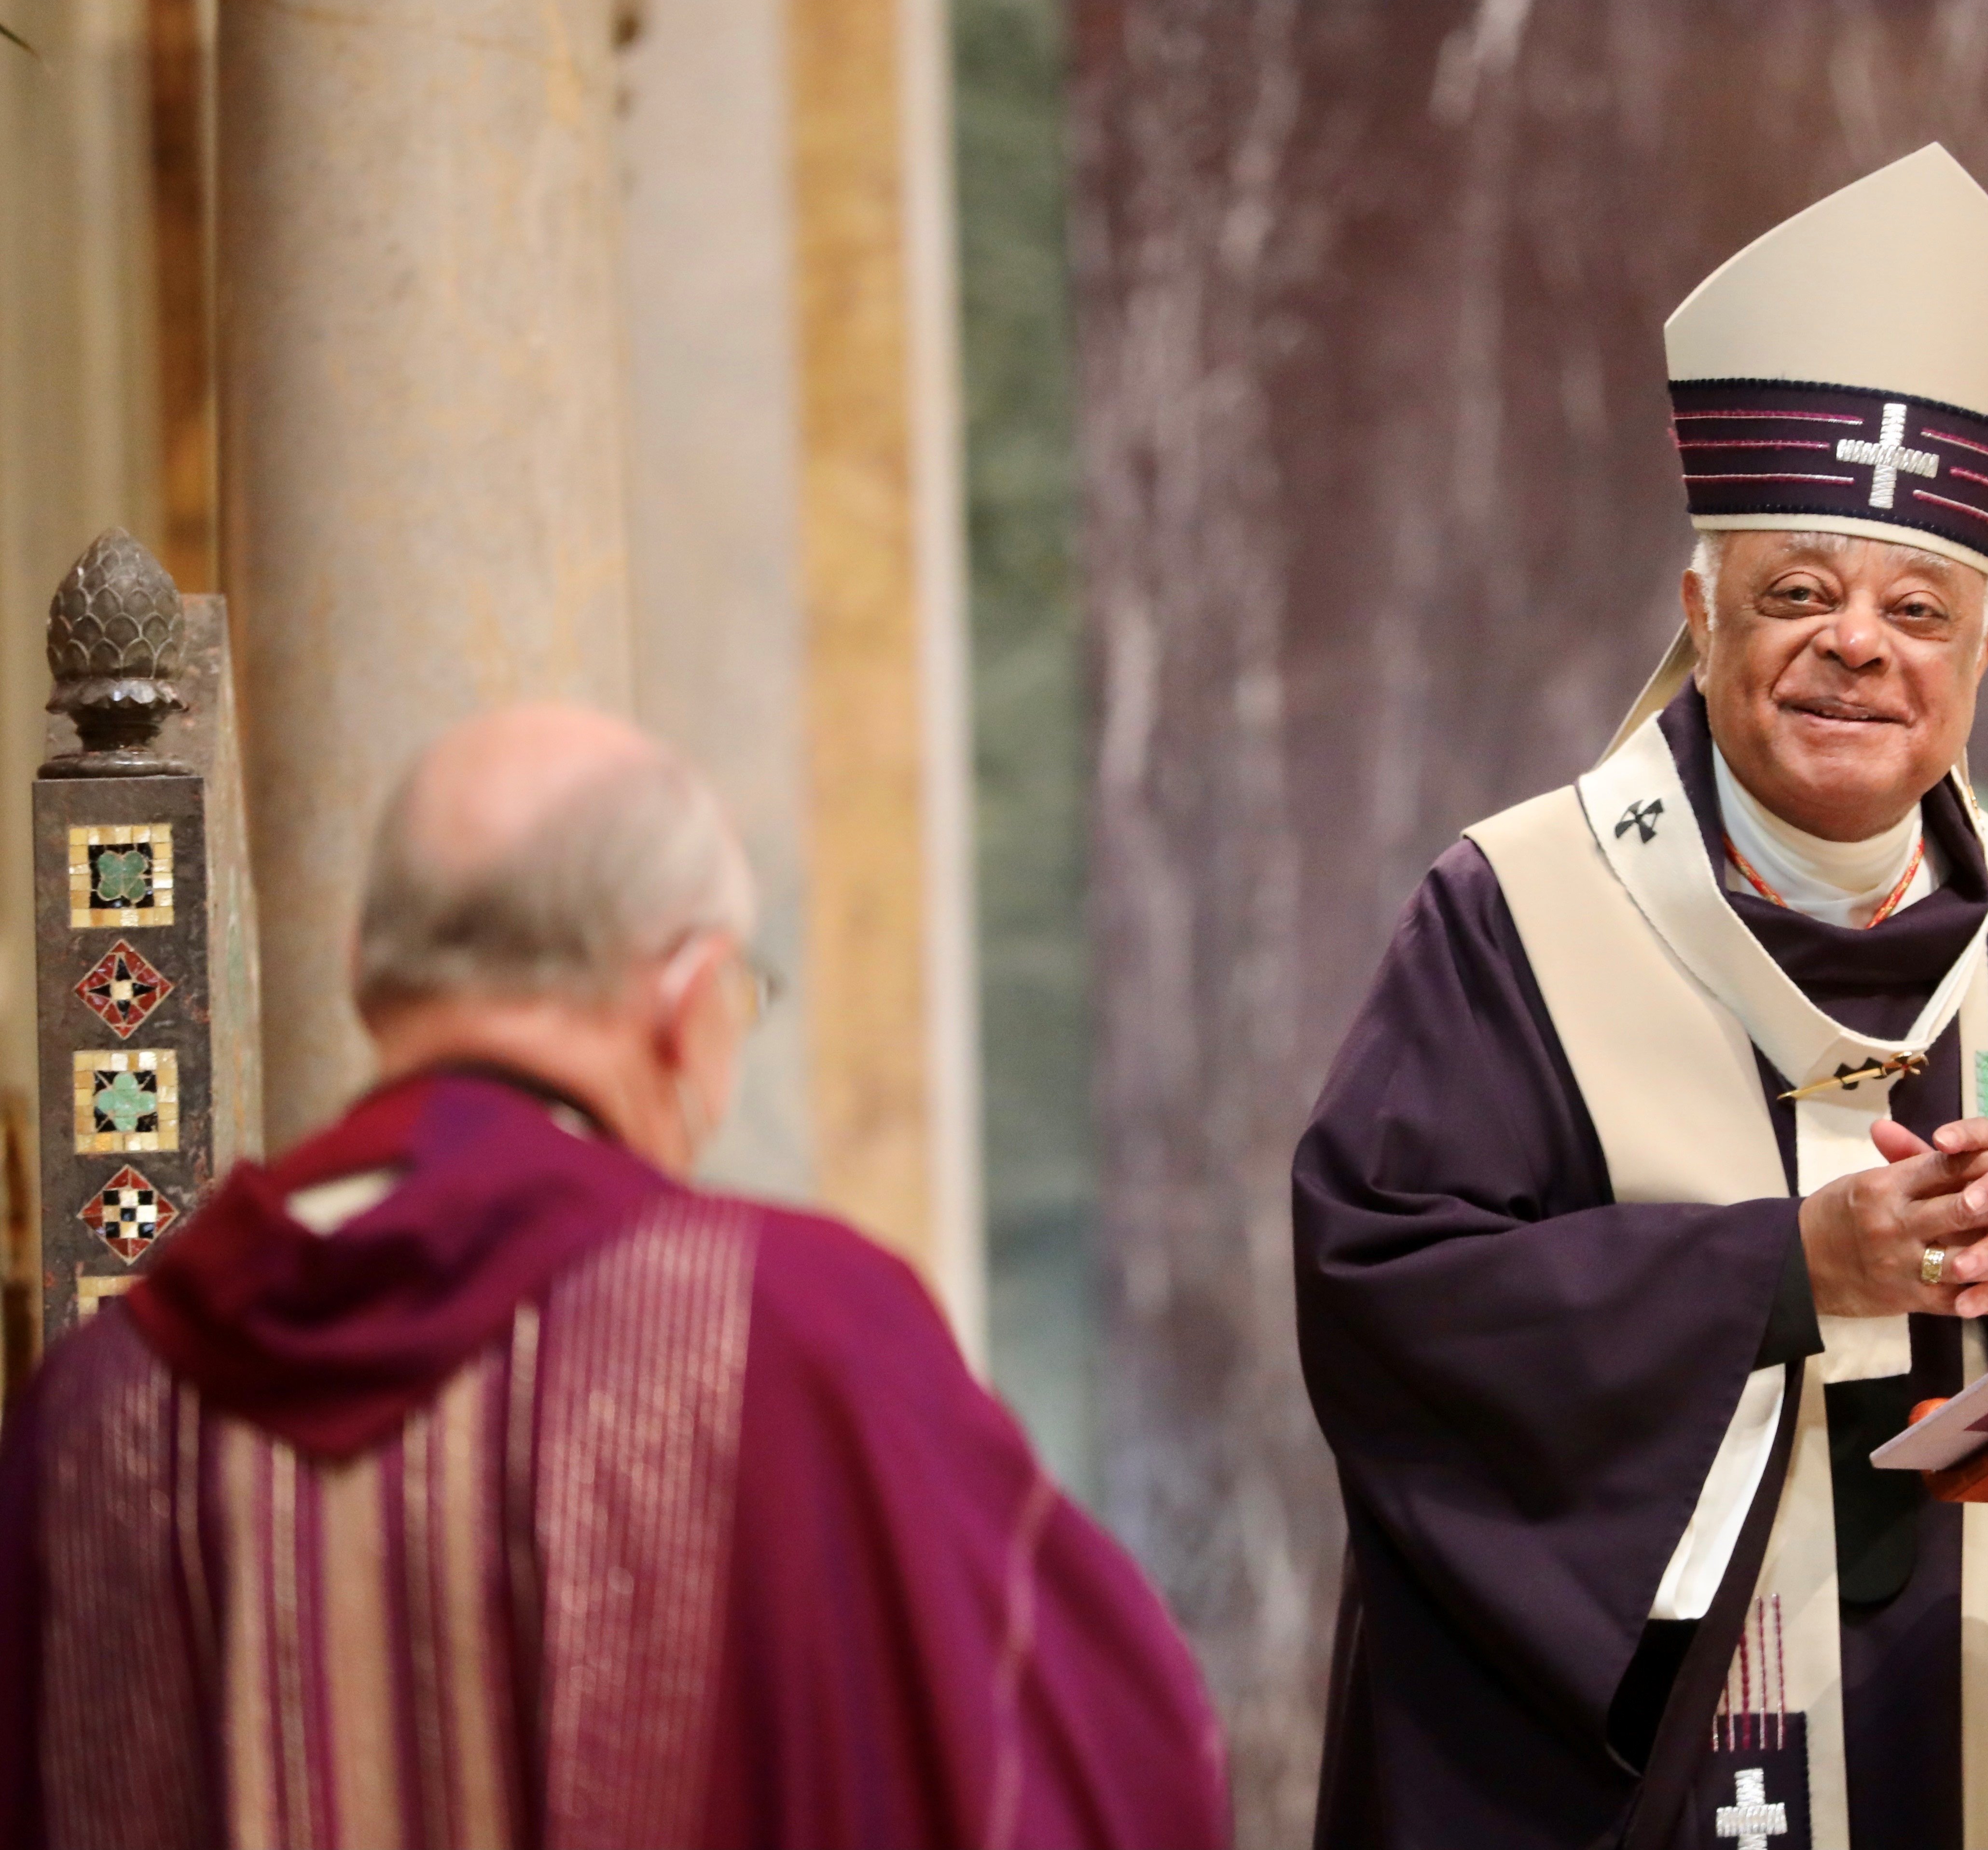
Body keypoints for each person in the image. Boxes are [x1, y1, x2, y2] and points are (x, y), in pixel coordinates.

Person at [1294, 145, 1988, 1850]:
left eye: (1915, 608)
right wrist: (1786, 1271)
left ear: (1984, 656)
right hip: (1664, 1765)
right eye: (1796, 593)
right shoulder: (1520, 911)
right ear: (1698, 610)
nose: (1856, 645)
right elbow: (1390, 1298)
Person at [0, 704, 1227, 1850]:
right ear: (686, 1004)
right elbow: (1107, 1761)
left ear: (364, 968)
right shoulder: (796, 1336)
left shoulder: (95, 1416)